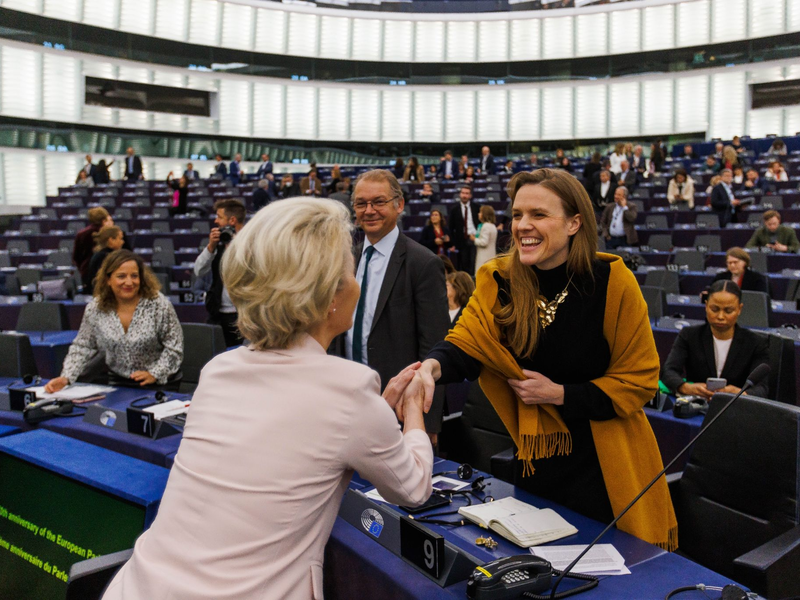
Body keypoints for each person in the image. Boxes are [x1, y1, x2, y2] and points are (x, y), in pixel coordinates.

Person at [101, 199, 433, 600]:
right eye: (350, 271)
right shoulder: (350, 390)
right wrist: (411, 411)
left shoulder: (219, 370)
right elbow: (413, 488)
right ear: (328, 294)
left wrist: (374, 412)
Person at [404, 168, 676, 549]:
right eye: (517, 215)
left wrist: (560, 394)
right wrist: (430, 368)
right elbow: (467, 341)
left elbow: (640, 380)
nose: (522, 226)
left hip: (607, 465)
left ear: (574, 223)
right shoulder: (499, 279)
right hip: (537, 463)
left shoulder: (612, 282)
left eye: (539, 214)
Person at [332, 169, 450, 439]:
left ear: (399, 205)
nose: (369, 210)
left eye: (378, 202)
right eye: (361, 203)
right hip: (347, 402)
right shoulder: (345, 259)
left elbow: (435, 346)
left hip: (401, 408)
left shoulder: (423, 263)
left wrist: (428, 423)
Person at [45, 250, 183, 393]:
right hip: (119, 382)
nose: (129, 282)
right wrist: (66, 377)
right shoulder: (96, 308)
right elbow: (83, 346)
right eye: (121, 276)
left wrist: (155, 373)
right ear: (108, 279)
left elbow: (174, 347)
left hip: (160, 383)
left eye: (134, 276)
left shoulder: (159, 304)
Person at [661, 280, 769, 399]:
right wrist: (686, 387)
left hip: (737, 406)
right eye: (714, 309)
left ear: (739, 309)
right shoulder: (689, 335)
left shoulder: (756, 343)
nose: (720, 316)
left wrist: (740, 393)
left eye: (728, 311)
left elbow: (762, 388)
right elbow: (668, 371)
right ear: (706, 306)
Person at [194, 199, 247, 347]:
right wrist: (211, 247)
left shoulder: (251, 242)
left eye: (219, 217)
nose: (215, 221)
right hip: (217, 313)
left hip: (243, 315)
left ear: (232, 220)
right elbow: (199, 270)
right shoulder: (218, 243)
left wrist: (235, 245)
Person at [73, 207, 117, 290]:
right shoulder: (109, 234)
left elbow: (76, 257)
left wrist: (82, 268)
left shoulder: (81, 234)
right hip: (107, 271)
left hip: (86, 271)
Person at [448, 184, 481, 274]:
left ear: (470, 195)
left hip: (475, 238)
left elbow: (481, 223)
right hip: (461, 240)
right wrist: (453, 243)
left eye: (467, 193)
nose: (464, 195)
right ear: (460, 194)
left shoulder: (477, 207)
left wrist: (478, 235)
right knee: (464, 264)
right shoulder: (454, 209)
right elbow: (451, 228)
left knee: (474, 263)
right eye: (463, 193)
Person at [472, 204, 498, 275]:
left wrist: (474, 239)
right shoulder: (493, 226)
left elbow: (484, 242)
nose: (478, 214)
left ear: (484, 214)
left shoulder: (485, 226)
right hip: (491, 255)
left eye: (480, 212)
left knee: (482, 275)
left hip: (484, 257)